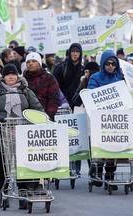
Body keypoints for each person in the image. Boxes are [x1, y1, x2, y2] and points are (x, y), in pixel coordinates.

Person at [0, 63, 44, 209]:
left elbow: (38, 108)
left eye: (13, 74)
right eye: (8, 74)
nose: (11, 76)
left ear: (17, 75)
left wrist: (32, 118)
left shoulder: (25, 90)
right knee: (4, 166)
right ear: (3, 77)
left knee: (22, 165)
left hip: (23, 134)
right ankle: (4, 192)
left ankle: (23, 194)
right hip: (3, 134)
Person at [87, 51, 124, 190]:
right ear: (103, 64)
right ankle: (96, 171)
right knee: (101, 147)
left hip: (116, 118)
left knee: (114, 149)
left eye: (113, 63)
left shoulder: (120, 78)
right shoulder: (95, 78)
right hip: (99, 119)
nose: (110, 66)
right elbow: (91, 95)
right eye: (108, 63)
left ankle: (110, 175)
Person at [53, 43, 84, 176]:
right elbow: (55, 87)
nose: (75, 54)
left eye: (77, 52)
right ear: (69, 53)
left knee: (76, 136)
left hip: (77, 107)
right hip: (62, 107)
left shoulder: (83, 70)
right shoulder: (61, 68)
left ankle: (76, 166)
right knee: (62, 137)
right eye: (73, 51)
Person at [23, 52, 60, 121]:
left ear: (39, 63)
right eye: (28, 62)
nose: (30, 63)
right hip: (26, 119)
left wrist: (48, 116)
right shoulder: (23, 80)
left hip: (45, 117)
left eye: (34, 61)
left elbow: (54, 99)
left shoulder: (49, 78)